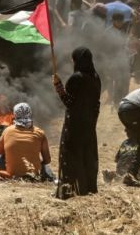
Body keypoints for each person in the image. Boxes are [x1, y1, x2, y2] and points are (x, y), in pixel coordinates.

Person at [52, 47, 101, 199]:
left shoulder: (76, 78)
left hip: (75, 125)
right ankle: (86, 188)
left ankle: (69, 190)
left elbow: (69, 102)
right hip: (89, 124)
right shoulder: (96, 77)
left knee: (72, 156)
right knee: (86, 155)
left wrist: (58, 86)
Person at [0, 103, 52, 179]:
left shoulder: (8, 130)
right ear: (30, 113)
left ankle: (5, 174)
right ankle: (50, 178)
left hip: (12, 176)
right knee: (45, 165)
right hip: (34, 176)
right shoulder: (40, 132)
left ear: (15, 114)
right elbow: (47, 160)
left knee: (0, 156)